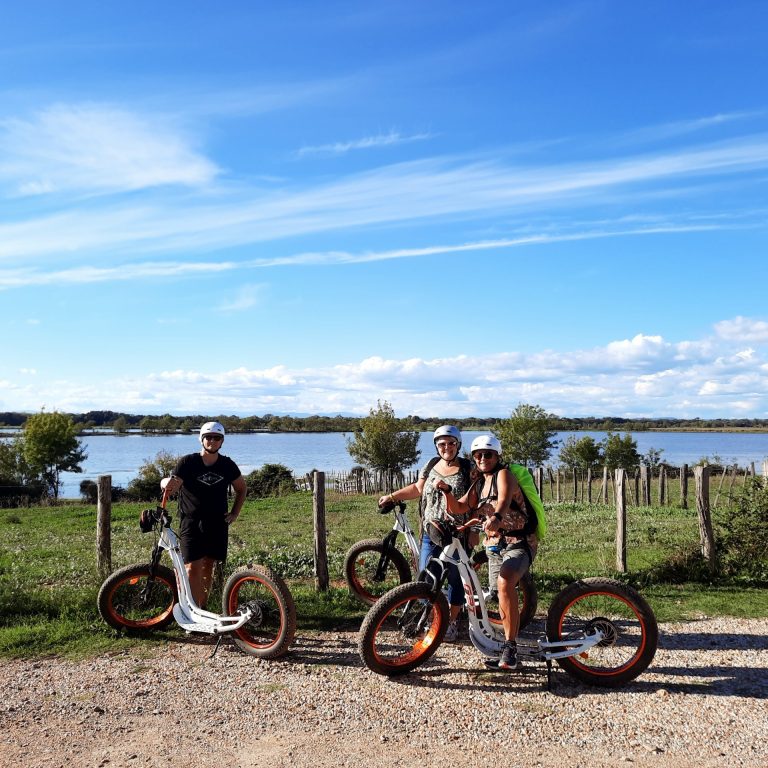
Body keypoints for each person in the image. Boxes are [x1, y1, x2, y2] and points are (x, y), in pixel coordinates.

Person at [437, 434, 537, 671]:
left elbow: (502, 500)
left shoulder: (504, 474)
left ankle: (510, 647)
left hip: (520, 542)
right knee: (494, 590)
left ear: (497, 456)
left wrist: (496, 517)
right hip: (494, 544)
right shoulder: (479, 482)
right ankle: (498, 638)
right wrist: (446, 492)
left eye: (488, 454)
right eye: (478, 455)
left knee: (504, 585)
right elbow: (460, 506)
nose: (483, 458)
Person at [377, 425, 473, 642]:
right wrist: (392, 496)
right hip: (431, 531)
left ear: (458, 445)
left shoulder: (468, 468)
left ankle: (452, 621)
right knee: (426, 576)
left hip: (458, 534)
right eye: (442, 444)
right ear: (436, 446)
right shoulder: (430, 465)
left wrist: (474, 531)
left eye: (451, 443)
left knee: (456, 579)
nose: (446, 447)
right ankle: (431, 618)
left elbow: (475, 501)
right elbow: (418, 489)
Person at [161, 421, 247, 608]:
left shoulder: (227, 465)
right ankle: (190, 610)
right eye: (208, 437)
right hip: (191, 522)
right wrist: (165, 482)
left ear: (222, 441)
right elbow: (172, 483)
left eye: (217, 438)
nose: (212, 441)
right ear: (201, 439)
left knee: (209, 565)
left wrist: (234, 513)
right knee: (192, 567)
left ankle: (202, 609)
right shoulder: (188, 462)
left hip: (217, 523)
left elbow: (241, 489)